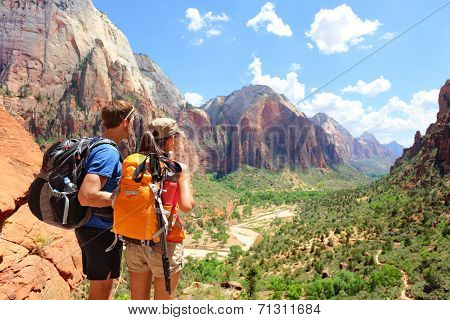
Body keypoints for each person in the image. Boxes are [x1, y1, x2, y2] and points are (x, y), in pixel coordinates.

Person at [124, 118, 195, 300]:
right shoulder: (178, 168)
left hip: (135, 240)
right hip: (166, 242)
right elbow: (187, 206)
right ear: (171, 139)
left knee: (138, 303)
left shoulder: (133, 164)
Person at [75, 100, 135, 300]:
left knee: (101, 290)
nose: (133, 125)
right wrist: (123, 200)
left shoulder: (99, 146)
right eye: (132, 120)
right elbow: (87, 195)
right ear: (125, 122)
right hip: (98, 230)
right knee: (100, 294)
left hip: (96, 229)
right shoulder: (108, 152)